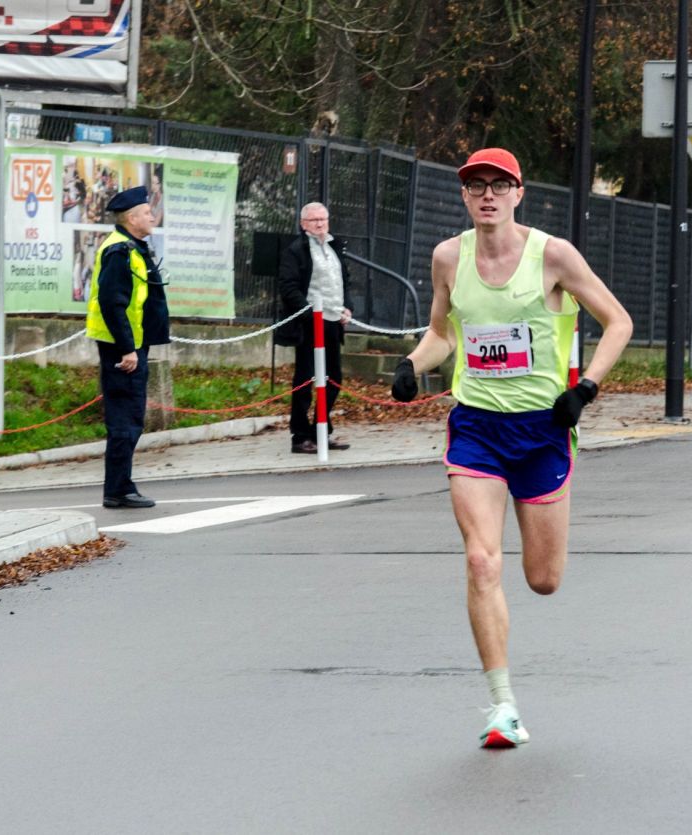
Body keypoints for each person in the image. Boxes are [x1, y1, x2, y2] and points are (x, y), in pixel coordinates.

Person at [390, 148, 633, 748]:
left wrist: (585, 389)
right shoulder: (450, 257)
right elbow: (443, 333)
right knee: (481, 560)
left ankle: (507, 697)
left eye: (500, 186)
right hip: (476, 428)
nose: (488, 196)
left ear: (519, 193)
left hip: (543, 428)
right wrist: (411, 364)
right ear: (466, 197)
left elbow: (619, 321)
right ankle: (502, 708)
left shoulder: (552, 255)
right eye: (477, 188)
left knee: (543, 579)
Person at [85, 185, 171, 509]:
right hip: (122, 348)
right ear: (133, 217)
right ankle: (119, 489)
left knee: (130, 417)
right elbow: (112, 303)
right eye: (148, 213)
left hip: (131, 344)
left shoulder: (131, 247)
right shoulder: (119, 250)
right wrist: (127, 349)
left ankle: (120, 486)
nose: (152, 217)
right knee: (125, 418)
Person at [274, 202, 354, 454]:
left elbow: (345, 281)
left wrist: (347, 307)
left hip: (333, 321)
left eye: (323, 219)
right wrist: (309, 313)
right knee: (305, 379)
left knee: (334, 379)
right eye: (314, 220)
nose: (319, 224)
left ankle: (321, 430)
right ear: (303, 224)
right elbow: (288, 286)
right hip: (308, 324)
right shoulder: (296, 250)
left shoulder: (335, 246)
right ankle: (299, 436)